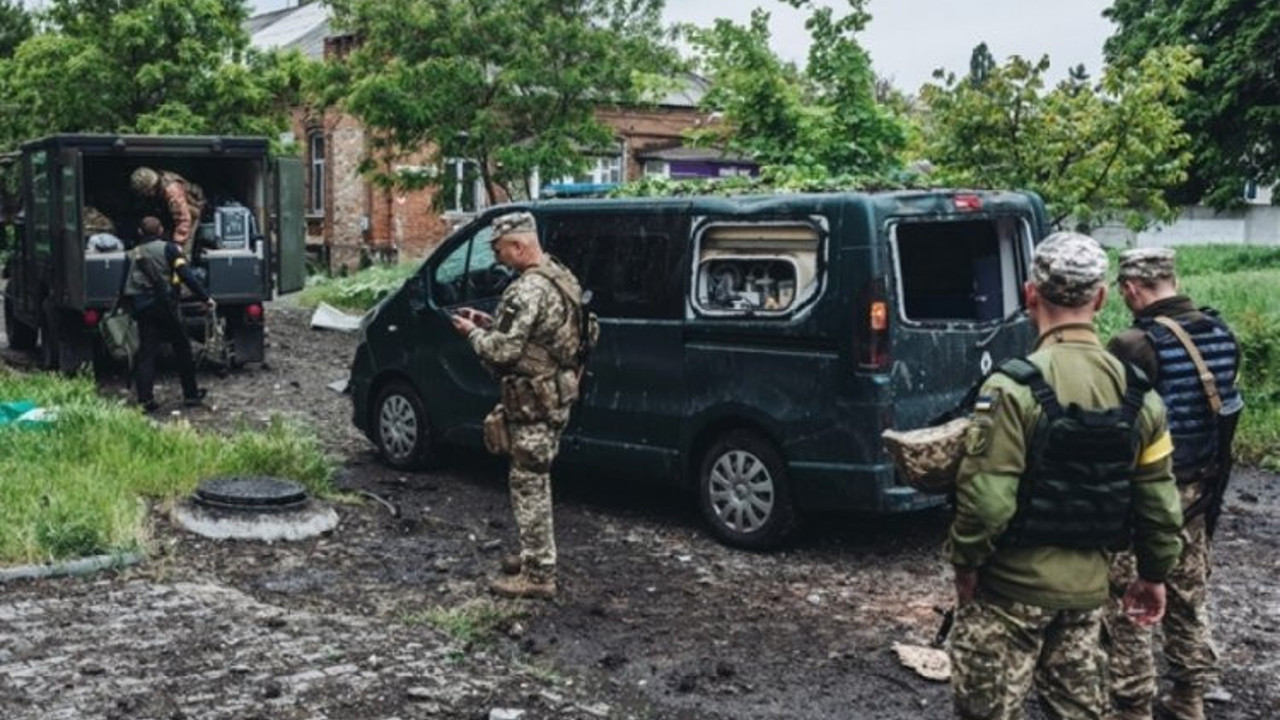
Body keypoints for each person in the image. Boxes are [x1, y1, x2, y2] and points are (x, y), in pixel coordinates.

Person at [947, 232, 1184, 720]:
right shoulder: (1143, 396)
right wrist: (1155, 574)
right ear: (1099, 298)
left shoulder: (1011, 388)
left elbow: (988, 502)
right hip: (1086, 596)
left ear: (1030, 295)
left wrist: (965, 563)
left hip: (1008, 594)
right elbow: (1160, 502)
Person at [1105, 247, 1243, 720]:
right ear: (1174, 280)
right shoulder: (1223, 335)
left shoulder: (1133, 345)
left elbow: (1119, 429)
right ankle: (1190, 698)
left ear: (1130, 288)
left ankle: (1132, 705)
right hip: (1202, 492)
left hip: (1148, 493)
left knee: (1132, 602)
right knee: (1188, 596)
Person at [450, 212, 589, 600]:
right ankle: (533, 555)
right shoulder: (559, 275)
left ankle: (539, 572)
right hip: (558, 391)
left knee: (528, 482)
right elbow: (539, 336)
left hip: (534, 398)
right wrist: (492, 321)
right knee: (534, 476)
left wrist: (474, 332)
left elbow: (504, 351)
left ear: (517, 244)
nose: (497, 258)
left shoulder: (527, 289)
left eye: (498, 249)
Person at [122, 216, 212, 412]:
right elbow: (186, 275)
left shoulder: (132, 254)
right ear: (161, 230)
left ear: (140, 232)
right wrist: (205, 297)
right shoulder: (169, 249)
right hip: (166, 307)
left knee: (146, 353)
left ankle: (145, 400)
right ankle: (191, 395)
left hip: (143, 309)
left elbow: (123, 286)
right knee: (182, 348)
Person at [130, 166, 206, 257]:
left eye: (145, 192)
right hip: (171, 214)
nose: (145, 195)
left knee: (181, 252)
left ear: (151, 188)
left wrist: (178, 243)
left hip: (190, 213)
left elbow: (184, 219)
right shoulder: (158, 183)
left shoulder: (172, 190)